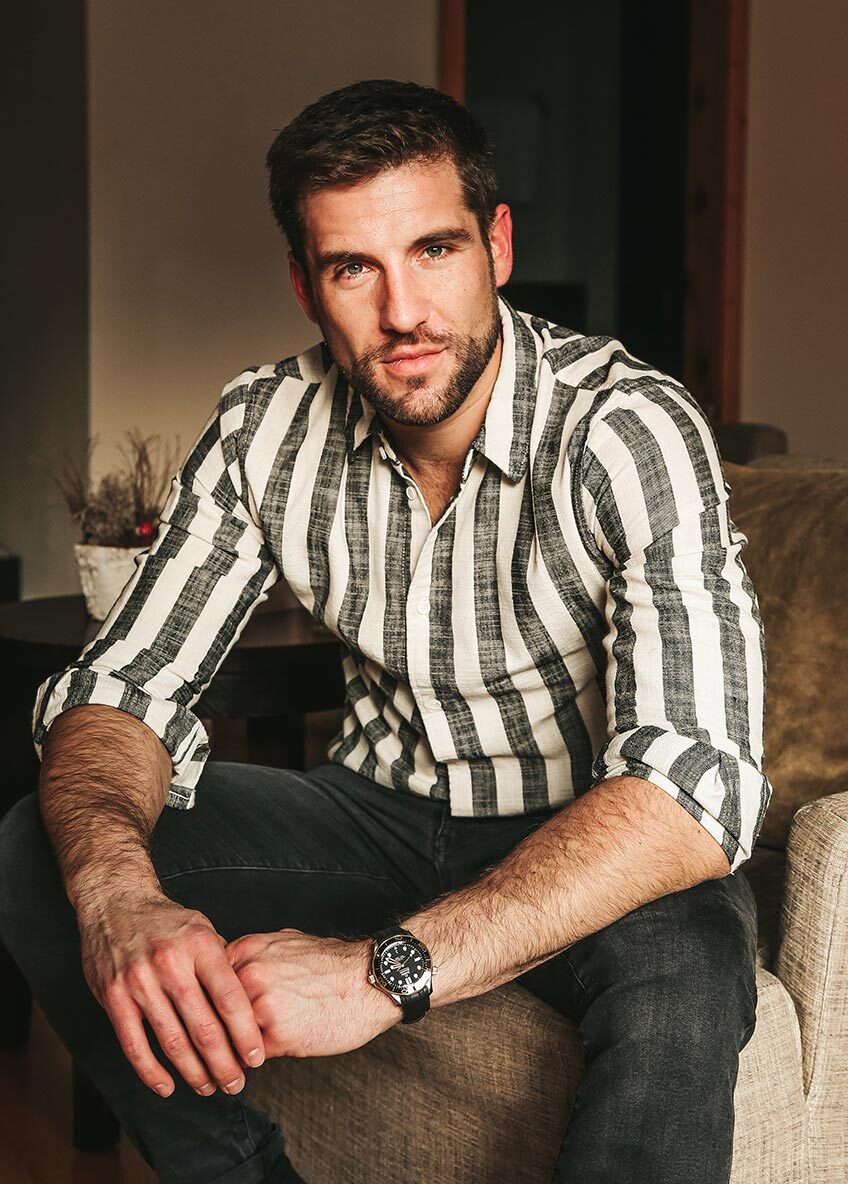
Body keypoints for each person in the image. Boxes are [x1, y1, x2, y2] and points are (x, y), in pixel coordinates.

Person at [0, 79, 770, 1184]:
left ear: (497, 246)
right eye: (353, 268)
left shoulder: (623, 426)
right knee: (42, 849)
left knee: (688, 964)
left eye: (434, 250)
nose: (403, 312)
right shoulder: (265, 427)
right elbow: (122, 686)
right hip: (374, 814)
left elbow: (693, 786)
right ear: (305, 285)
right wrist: (120, 896)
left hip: (585, 817)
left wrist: (377, 974)